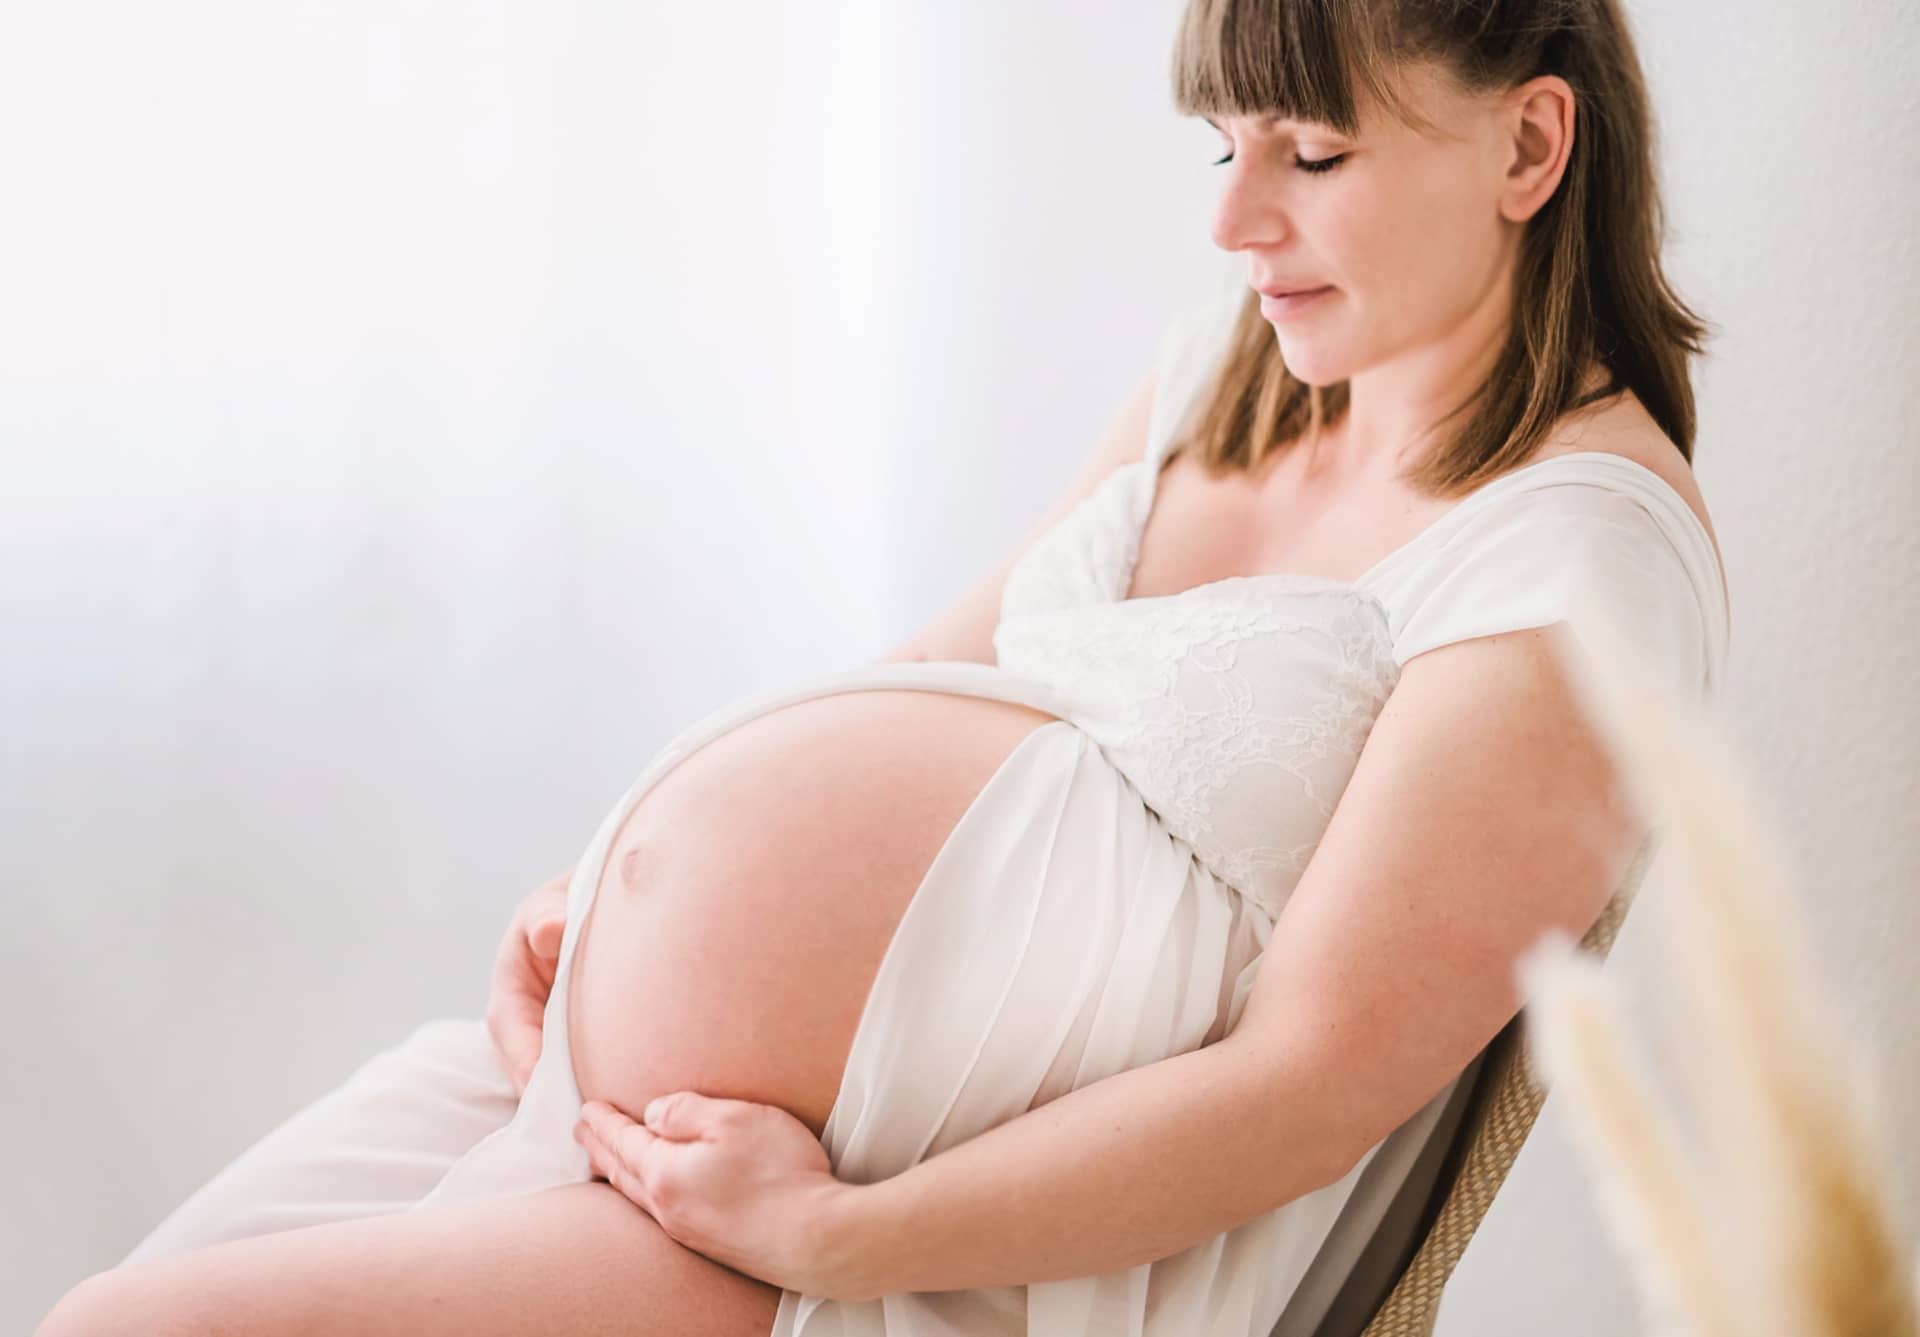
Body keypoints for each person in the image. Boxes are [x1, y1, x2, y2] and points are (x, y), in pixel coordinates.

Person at [36, 0, 1733, 1333]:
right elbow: (946, 664)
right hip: (678, 1109)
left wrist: (838, 1231)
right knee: (92, 1310)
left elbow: (1304, 1090)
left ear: (1529, 143)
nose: (1231, 219)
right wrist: (619, 884)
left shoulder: (1575, 563)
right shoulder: (1246, 366)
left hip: (921, 1247)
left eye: (1310, 152)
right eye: (1220, 143)